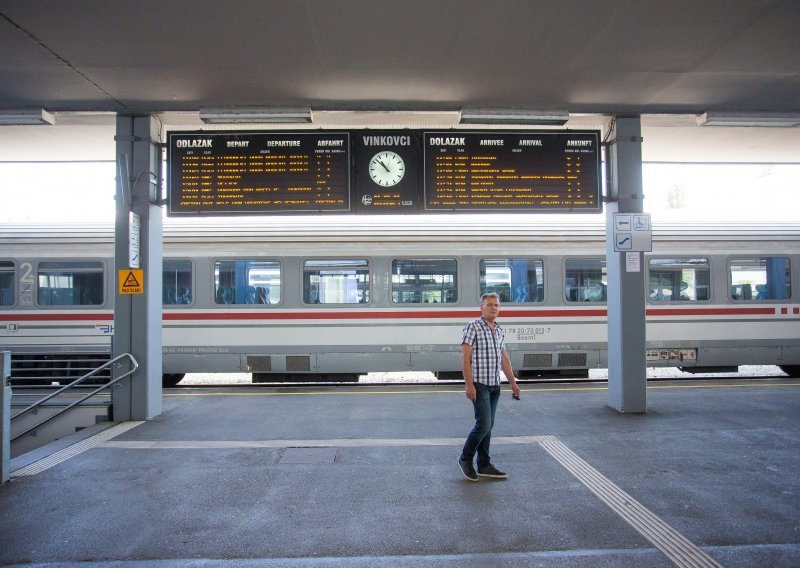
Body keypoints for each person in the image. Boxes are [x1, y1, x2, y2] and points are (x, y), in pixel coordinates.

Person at [458, 292, 521, 482]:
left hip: (495, 385)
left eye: (496, 305)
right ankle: (465, 459)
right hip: (479, 384)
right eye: (489, 305)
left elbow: (504, 360)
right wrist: (469, 385)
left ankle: (484, 464)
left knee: (488, 426)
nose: (494, 308)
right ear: (481, 307)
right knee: (483, 424)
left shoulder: (499, 330)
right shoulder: (473, 327)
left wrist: (513, 384)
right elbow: (465, 358)